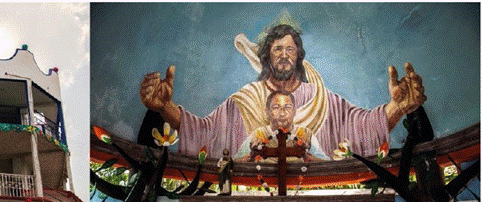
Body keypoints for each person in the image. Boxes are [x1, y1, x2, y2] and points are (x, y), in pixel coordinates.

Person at [139, 24, 426, 159]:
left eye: (290, 49)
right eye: (277, 49)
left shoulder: (322, 99)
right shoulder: (246, 99)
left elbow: (362, 126)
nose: (284, 55)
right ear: (267, 57)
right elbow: (205, 131)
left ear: (299, 57)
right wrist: (165, 107)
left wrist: (398, 107)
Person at [237, 90, 329, 161]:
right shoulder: (257, 136)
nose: (282, 113)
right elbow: (236, 163)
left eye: (287, 107)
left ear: (294, 111)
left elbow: (326, 164)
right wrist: (252, 156)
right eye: (276, 108)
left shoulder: (306, 135)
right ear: (267, 112)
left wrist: (307, 156)